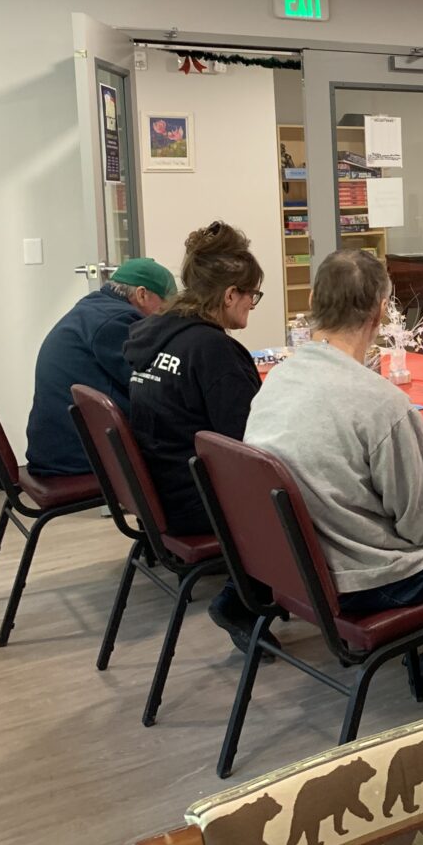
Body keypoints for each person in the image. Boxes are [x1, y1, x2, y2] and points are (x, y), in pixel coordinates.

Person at [245, 250, 423, 694]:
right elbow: (420, 527)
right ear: (381, 311)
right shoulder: (383, 405)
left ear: (312, 299)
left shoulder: (276, 381)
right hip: (371, 577)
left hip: (303, 568)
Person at [125, 221, 264, 648]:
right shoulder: (213, 352)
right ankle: (243, 599)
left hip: (160, 491)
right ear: (229, 295)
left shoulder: (152, 336)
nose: (252, 306)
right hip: (197, 501)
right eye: (251, 296)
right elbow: (249, 447)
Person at [25, 257, 175, 477]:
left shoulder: (93, 308)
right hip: (79, 455)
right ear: (142, 294)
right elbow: (147, 385)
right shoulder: (118, 320)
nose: (165, 314)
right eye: (165, 306)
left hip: (58, 446)